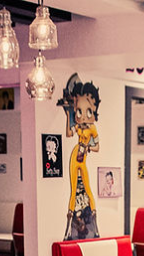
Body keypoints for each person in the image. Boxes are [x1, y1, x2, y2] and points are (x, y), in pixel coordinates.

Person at [59, 75, 101, 239]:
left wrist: (88, 147)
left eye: (89, 111)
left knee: (88, 189)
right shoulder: (77, 126)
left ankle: (95, 224)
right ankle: (68, 228)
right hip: (75, 156)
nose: (83, 115)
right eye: (79, 111)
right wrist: (67, 115)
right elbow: (69, 133)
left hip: (83, 157)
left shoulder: (92, 129)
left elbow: (97, 147)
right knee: (73, 191)